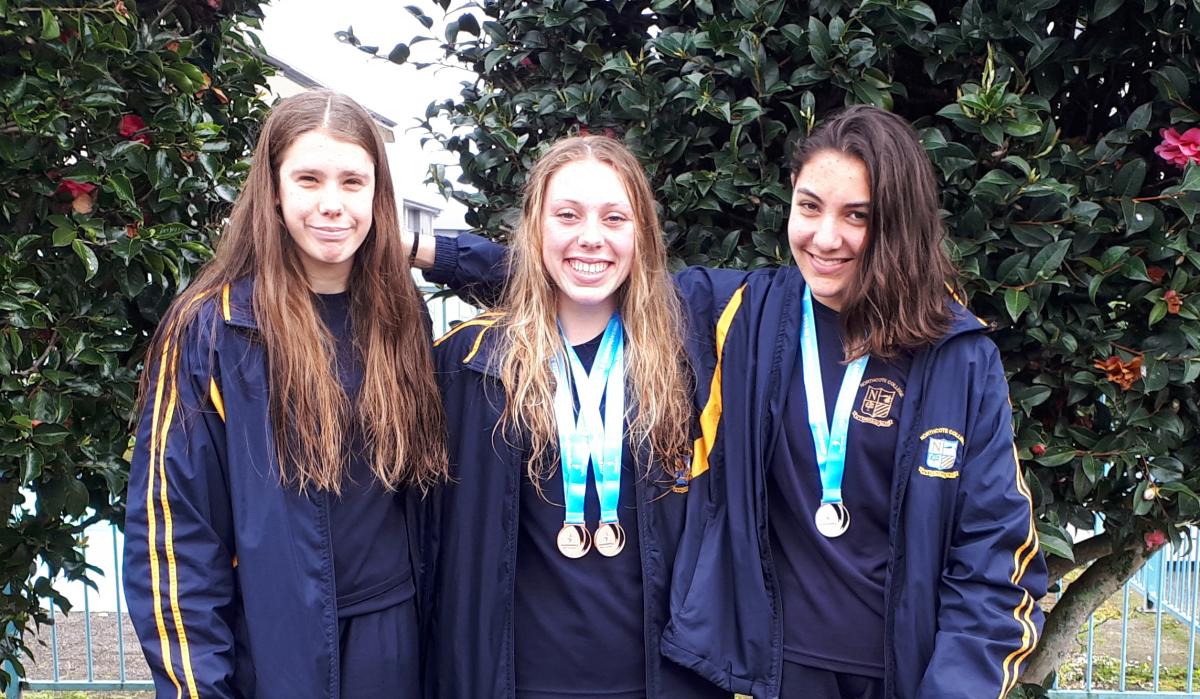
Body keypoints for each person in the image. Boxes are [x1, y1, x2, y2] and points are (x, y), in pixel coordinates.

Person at [415, 105, 1047, 699]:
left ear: (899, 222)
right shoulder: (746, 314)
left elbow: (996, 552)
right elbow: (585, 270)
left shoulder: (959, 357)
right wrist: (421, 246)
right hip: (771, 674)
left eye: (858, 215)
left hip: (907, 673)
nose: (826, 236)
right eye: (810, 206)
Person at [123, 90, 447, 699]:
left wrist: (432, 252)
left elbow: (543, 278)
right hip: (271, 641)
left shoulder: (404, 317)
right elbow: (173, 535)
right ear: (273, 190)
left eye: (354, 182)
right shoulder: (212, 328)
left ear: (379, 196)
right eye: (308, 179)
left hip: (395, 637)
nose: (332, 204)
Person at [413, 136, 726, 698]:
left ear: (643, 236)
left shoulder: (689, 356)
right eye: (567, 215)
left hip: (662, 681)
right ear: (535, 229)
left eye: (614, 217)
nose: (591, 237)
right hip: (515, 680)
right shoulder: (471, 365)